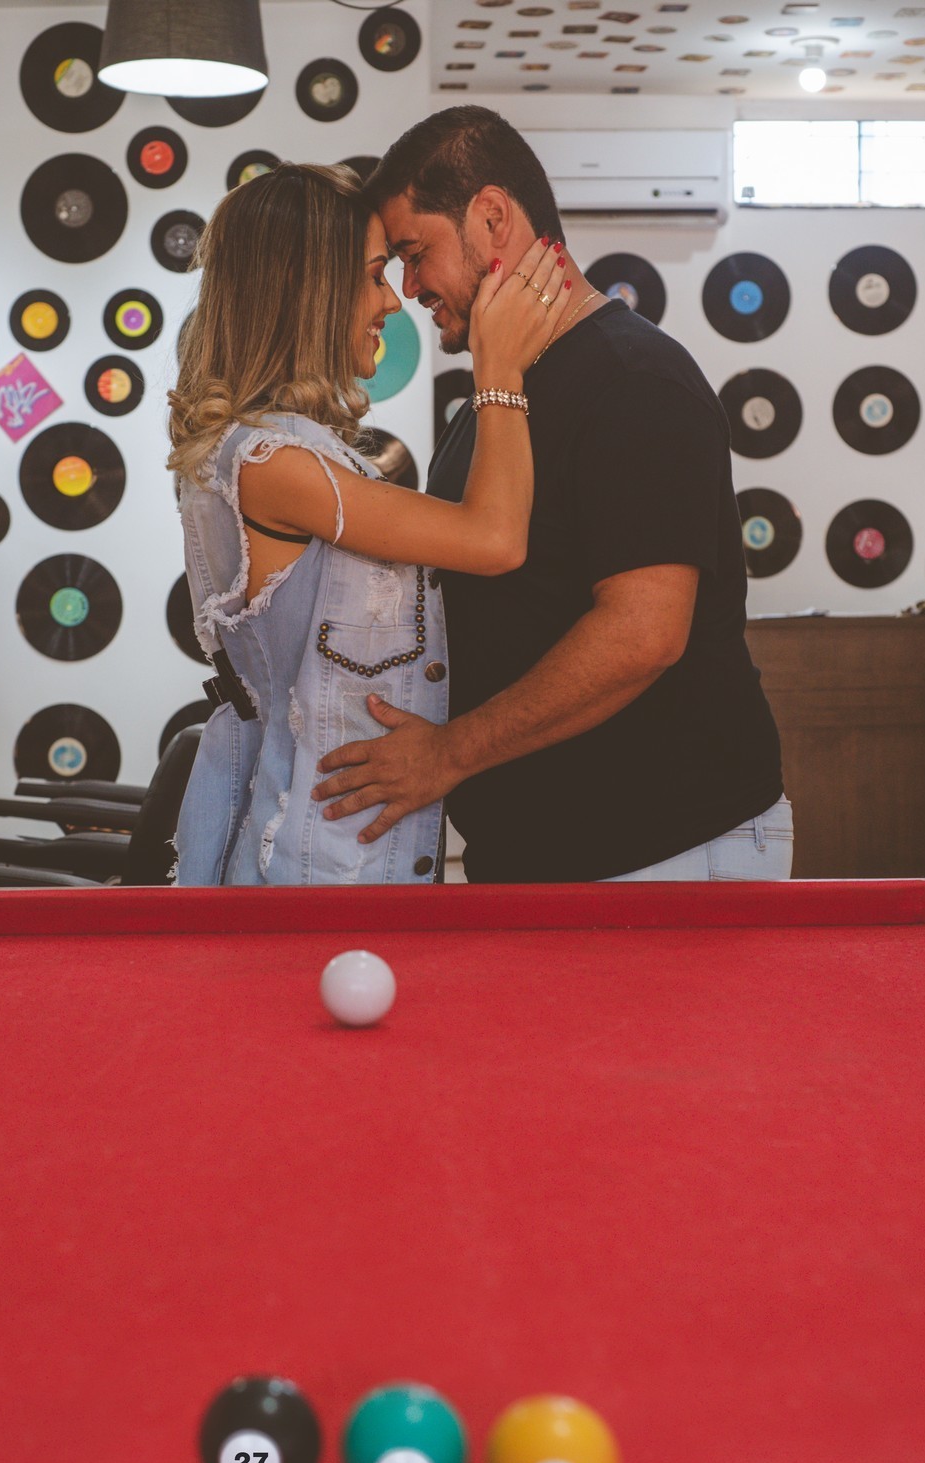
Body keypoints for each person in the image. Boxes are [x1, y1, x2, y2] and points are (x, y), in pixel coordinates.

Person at [311, 107, 792, 884]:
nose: (407, 287)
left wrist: (446, 754)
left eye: (413, 252)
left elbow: (645, 634)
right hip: (548, 857)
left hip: (666, 848)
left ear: (492, 216)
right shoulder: (497, 395)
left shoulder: (634, 381)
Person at [166, 161, 566, 886]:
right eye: (377, 274)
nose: (392, 299)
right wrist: (498, 370)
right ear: (309, 292)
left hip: (336, 852)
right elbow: (496, 539)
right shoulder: (272, 462)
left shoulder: (280, 450)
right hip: (316, 868)